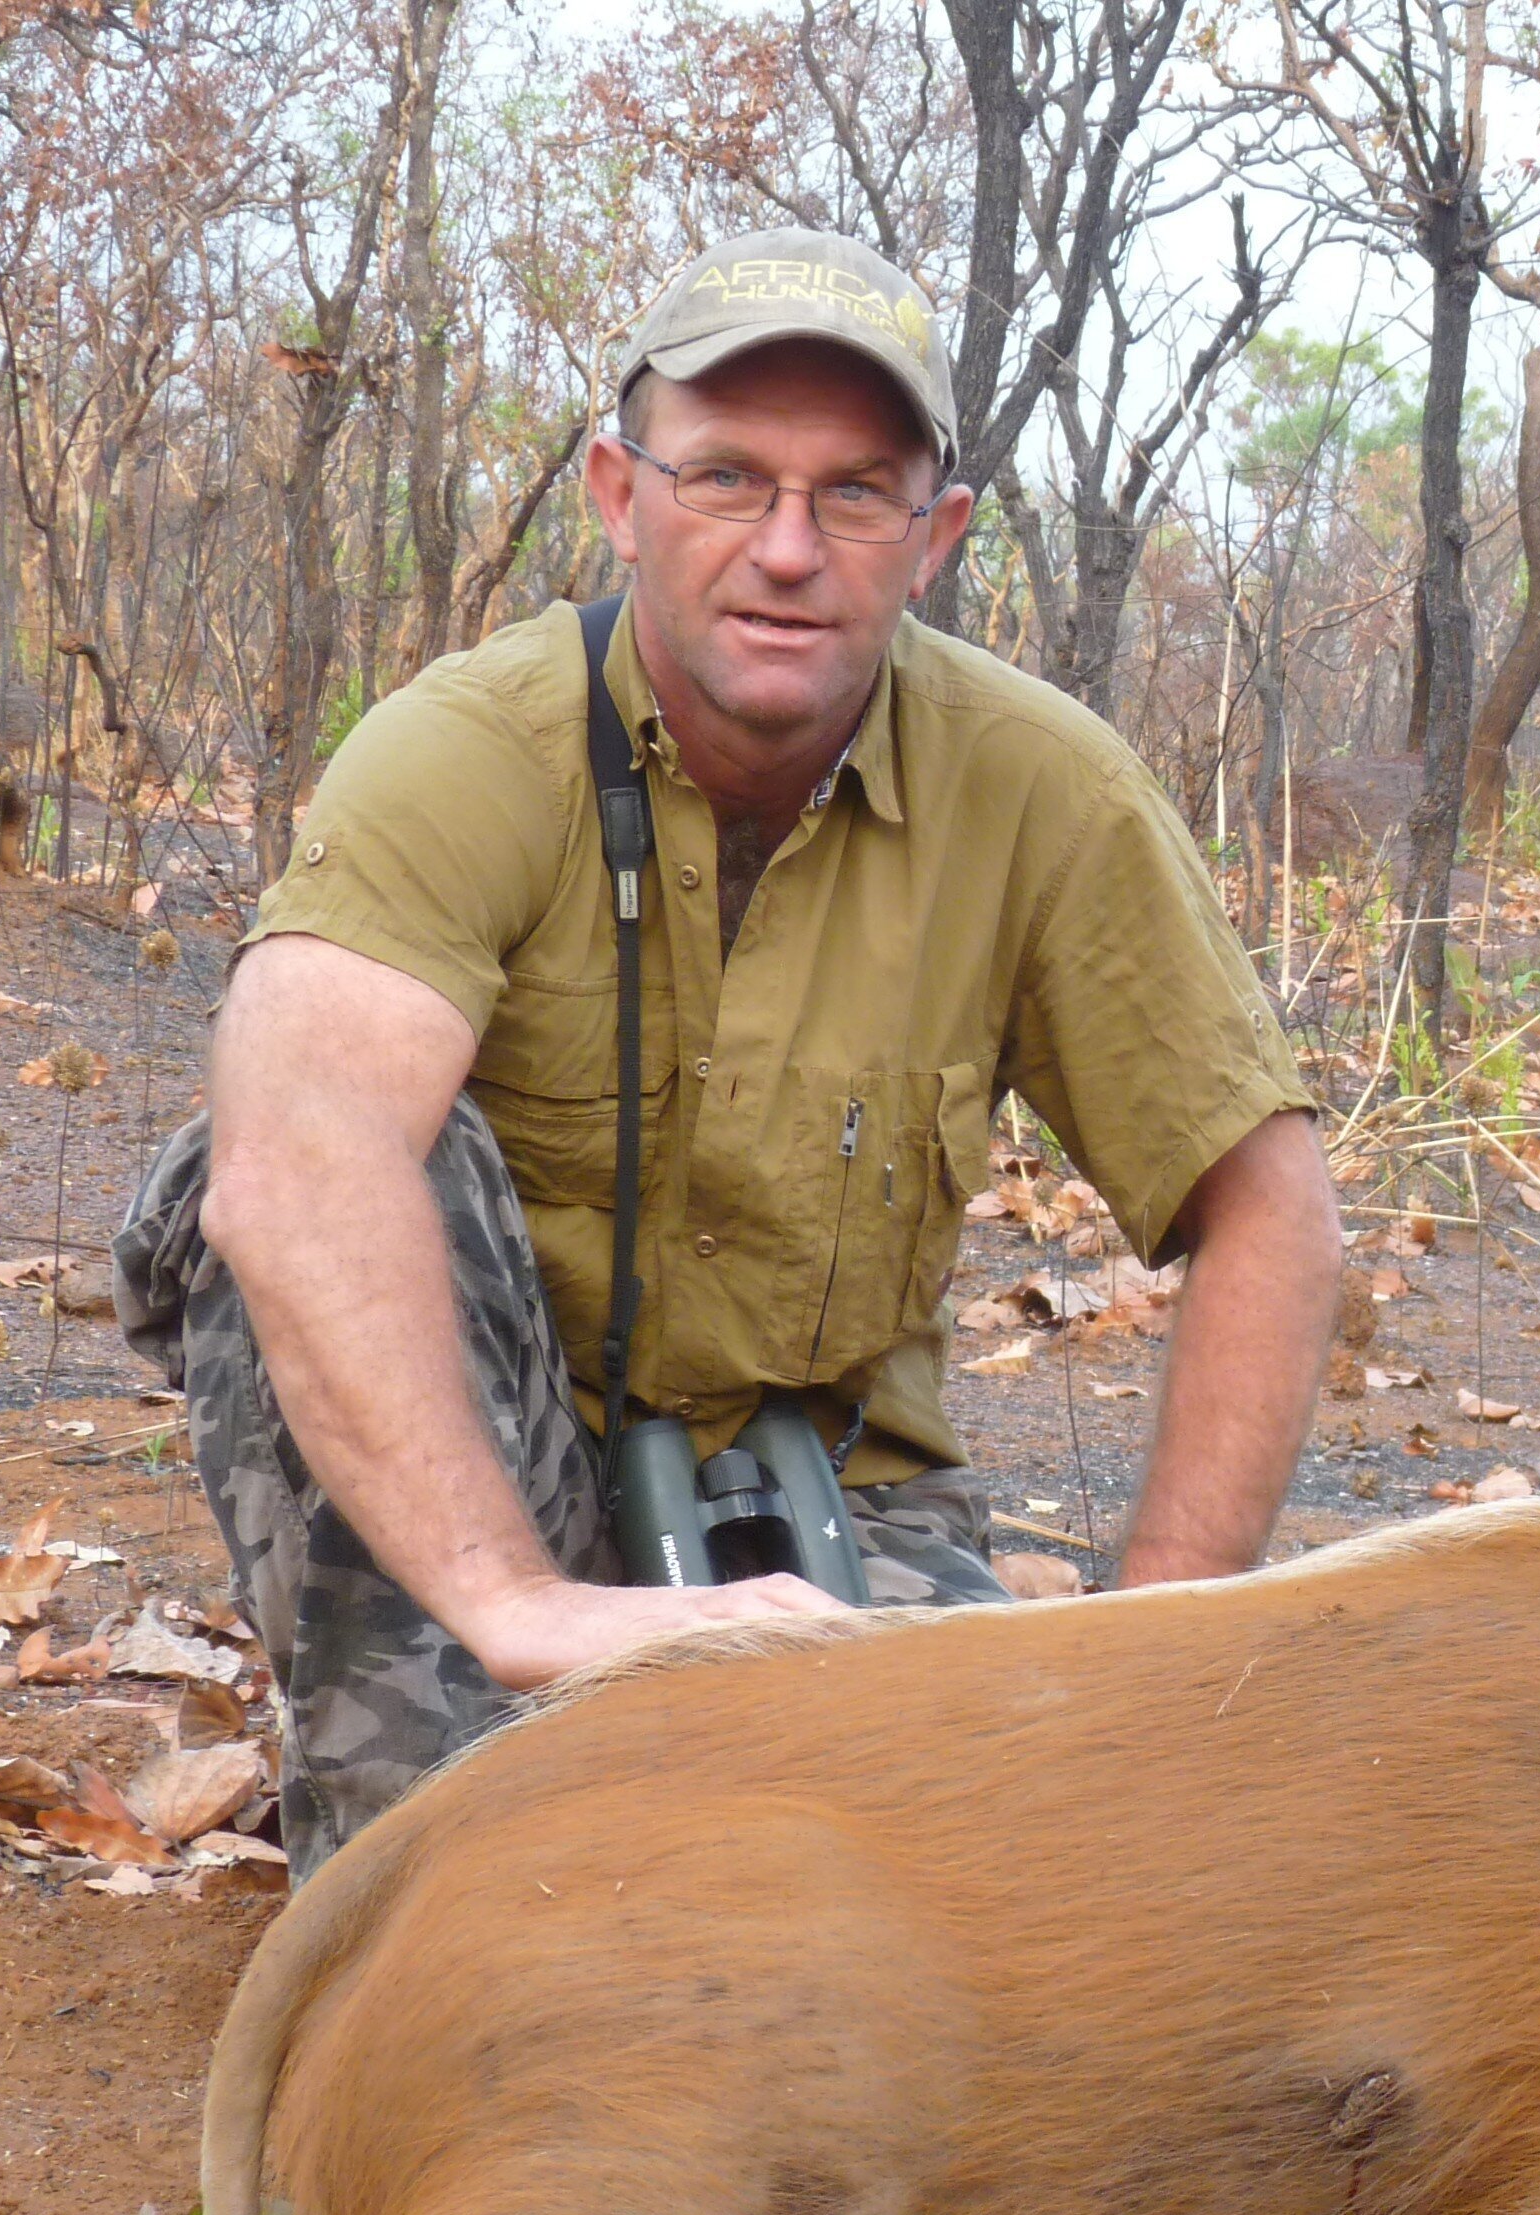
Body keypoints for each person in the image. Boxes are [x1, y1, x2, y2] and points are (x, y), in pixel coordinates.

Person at [118, 229, 1341, 1878]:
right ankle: (413, 1793)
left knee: (998, 1927)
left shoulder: (1051, 790)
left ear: (936, 539)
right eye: (727, 481)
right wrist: (519, 1605)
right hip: (496, 1484)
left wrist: (1145, 1661)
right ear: (621, 498)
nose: (787, 548)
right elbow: (291, 1161)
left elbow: (1270, 1209)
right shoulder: (466, 748)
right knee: (495, 1926)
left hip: (831, 1493)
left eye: (853, 494)